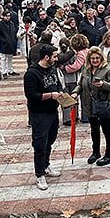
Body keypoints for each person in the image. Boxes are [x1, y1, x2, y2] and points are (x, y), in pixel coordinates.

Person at [23, 44, 63, 190]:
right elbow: (31, 95)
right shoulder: (32, 73)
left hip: (53, 111)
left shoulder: (52, 69)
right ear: (47, 57)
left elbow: (57, 84)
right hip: (39, 114)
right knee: (40, 144)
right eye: (54, 56)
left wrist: (60, 94)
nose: (56, 58)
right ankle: (39, 174)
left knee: (50, 140)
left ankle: (46, 166)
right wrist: (50, 95)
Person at [71, 47, 110, 166]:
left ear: (101, 58)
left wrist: (102, 84)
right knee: (94, 130)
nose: (95, 60)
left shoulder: (107, 69)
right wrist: (75, 92)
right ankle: (96, 152)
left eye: (97, 58)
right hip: (89, 105)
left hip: (102, 104)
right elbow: (80, 84)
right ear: (89, 59)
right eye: (92, 58)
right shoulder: (86, 70)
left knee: (107, 130)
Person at [63, 34, 91, 122]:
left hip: (83, 76)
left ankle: (85, 117)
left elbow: (76, 66)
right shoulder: (88, 51)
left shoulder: (80, 53)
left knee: (83, 97)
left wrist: (65, 68)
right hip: (90, 75)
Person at [0, 11, 19, 78]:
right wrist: (3, 40)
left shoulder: (11, 23)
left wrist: (14, 40)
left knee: (10, 57)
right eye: (6, 16)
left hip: (11, 43)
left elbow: (14, 33)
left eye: (9, 16)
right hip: (4, 44)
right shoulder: (0, 24)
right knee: (3, 58)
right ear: (3, 16)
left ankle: (10, 70)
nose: (8, 17)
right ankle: (4, 72)